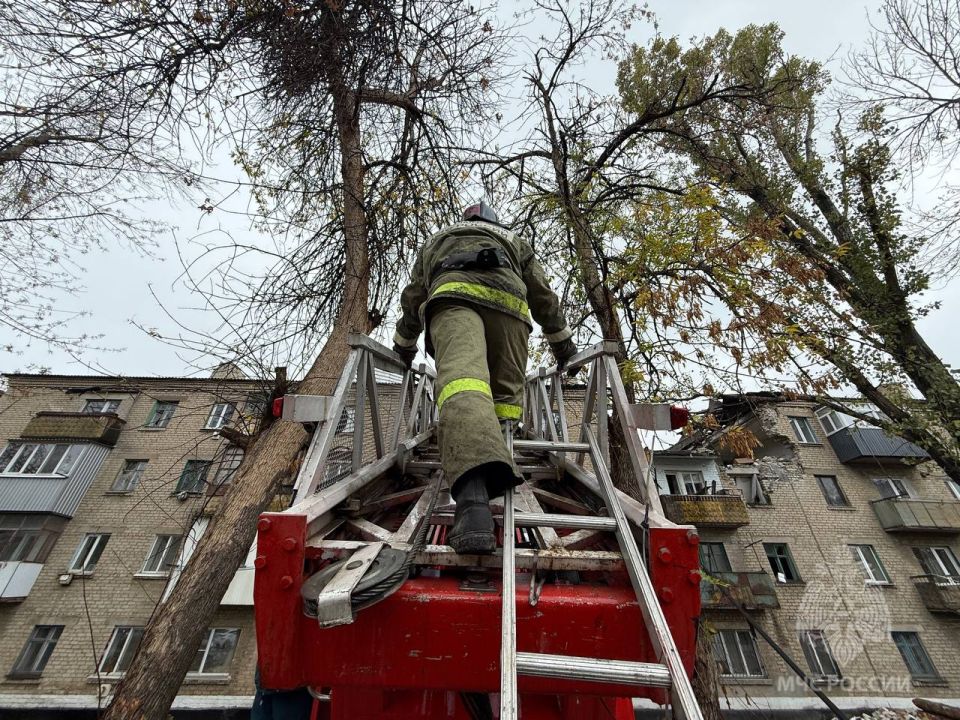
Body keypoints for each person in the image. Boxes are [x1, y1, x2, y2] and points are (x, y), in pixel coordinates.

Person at [392, 202, 576, 554]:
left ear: (465, 221)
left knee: (464, 385)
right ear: (494, 222)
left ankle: (473, 503)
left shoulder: (439, 240)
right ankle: (501, 465)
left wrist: (404, 345)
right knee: (504, 401)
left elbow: (414, 296)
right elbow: (542, 293)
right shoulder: (513, 239)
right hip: (510, 312)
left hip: (453, 302)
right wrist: (562, 344)